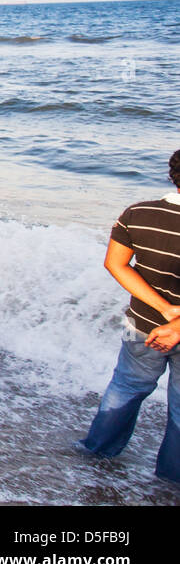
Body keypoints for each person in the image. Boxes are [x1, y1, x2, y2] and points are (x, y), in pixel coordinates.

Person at [77, 150, 180, 484]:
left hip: (144, 326)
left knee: (126, 387)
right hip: (166, 329)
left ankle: (95, 454)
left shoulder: (139, 213)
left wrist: (163, 311)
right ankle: (169, 482)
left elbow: (115, 264)